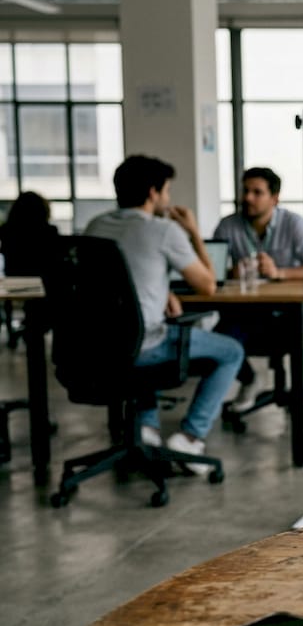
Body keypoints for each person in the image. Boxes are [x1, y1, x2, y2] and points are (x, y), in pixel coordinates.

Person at [85, 155, 244, 473]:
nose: (168, 197)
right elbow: (209, 286)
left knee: (137, 335)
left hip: (96, 346)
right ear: (153, 193)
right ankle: (190, 437)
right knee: (231, 351)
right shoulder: (163, 230)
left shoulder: (96, 226)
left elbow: (116, 281)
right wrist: (194, 232)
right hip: (144, 346)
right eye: (167, 190)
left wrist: (164, 292)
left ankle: (146, 427)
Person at [212, 167, 303, 410]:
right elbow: (211, 271)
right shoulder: (227, 226)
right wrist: (232, 272)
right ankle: (250, 380)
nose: (248, 198)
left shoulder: (295, 224)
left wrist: (279, 273)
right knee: (218, 337)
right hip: (247, 313)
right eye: (245, 191)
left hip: (289, 314)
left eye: (257, 192)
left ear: (274, 198)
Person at [0, 190, 60, 344]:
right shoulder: (49, 232)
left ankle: (33, 326)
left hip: (13, 283)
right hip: (43, 284)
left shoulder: (7, 231)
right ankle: (41, 325)